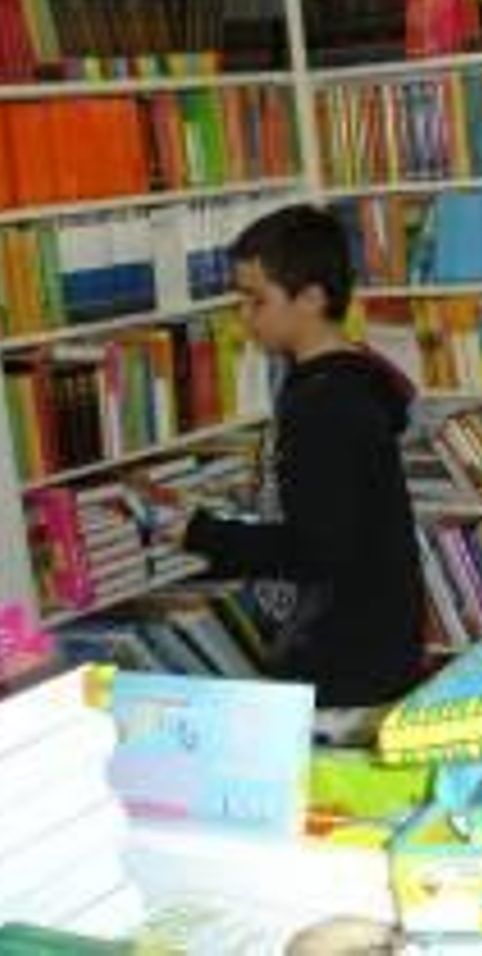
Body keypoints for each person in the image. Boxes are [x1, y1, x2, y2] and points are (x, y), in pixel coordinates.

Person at [172, 204, 426, 741]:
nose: (244, 316)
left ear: (310, 298)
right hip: (369, 643)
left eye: (256, 300)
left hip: (344, 663)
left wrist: (201, 533)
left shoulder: (324, 404)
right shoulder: (342, 378)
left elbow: (316, 550)